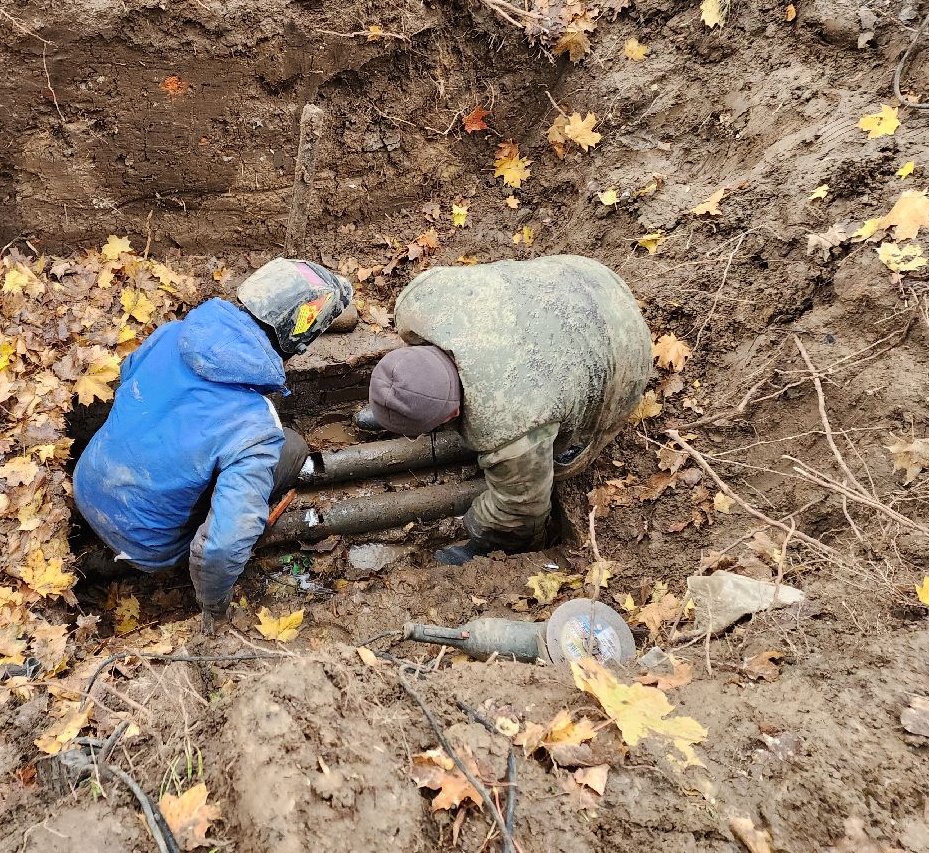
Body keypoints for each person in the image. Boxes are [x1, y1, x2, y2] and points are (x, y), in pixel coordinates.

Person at [74, 258, 353, 628]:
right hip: (148, 546)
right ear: (300, 338)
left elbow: (128, 381)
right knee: (292, 448)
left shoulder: (171, 334)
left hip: (87, 482)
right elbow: (221, 547)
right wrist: (214, 609)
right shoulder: (254, 425)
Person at [364, 255, 651, 565]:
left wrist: (475, 524)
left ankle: (500, 542)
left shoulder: (511, 422)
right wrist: (410, 393)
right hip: (579, 276)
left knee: (554, 467)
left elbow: (522, 507)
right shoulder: (418, 303)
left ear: (449, 418)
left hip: (624, 348)